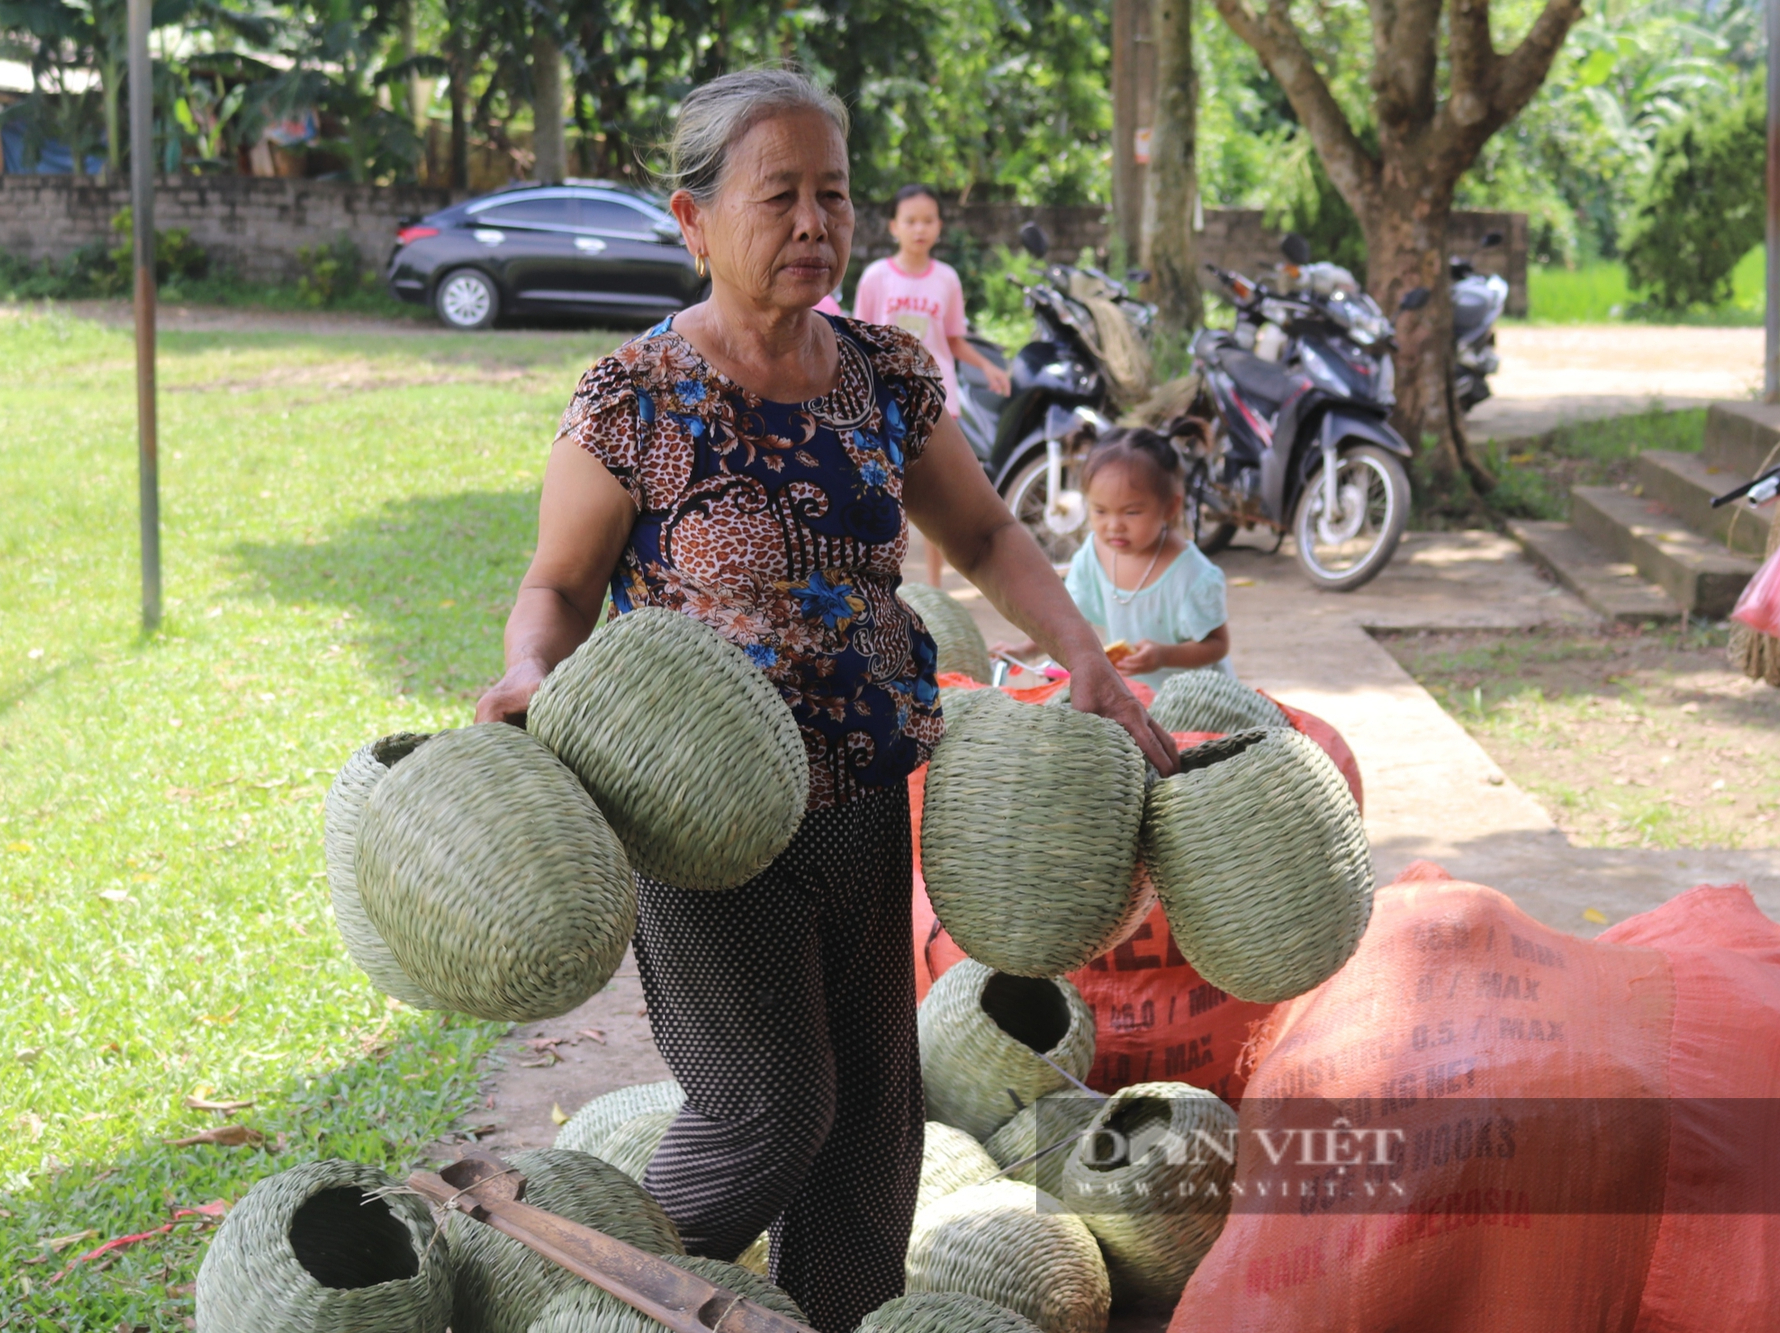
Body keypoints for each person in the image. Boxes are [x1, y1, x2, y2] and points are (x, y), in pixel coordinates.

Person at [472, 68, 1178, 1333]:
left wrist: (1082, 647)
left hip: (857, 797)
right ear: (692, 221)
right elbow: (557, 582)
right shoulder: (632, 397)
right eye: (778, 194)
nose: (814, 222)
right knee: (767, 1108)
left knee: (868, 1134)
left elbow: (981, 530)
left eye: (833, 194)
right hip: (698, 823)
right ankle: (559, 1288)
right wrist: (531, 670)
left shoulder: (882, 374)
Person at [992, 427, 1232, 690]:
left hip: (1197, 703)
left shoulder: (1192, 574)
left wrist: (1164, 656)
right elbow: (1069, 618)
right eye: (1100, 511)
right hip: (1137, 700)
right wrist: (1024, 651)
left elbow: (1217, 645)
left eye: (1131, 512)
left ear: (1170, 507)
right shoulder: (1094, 554)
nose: (1114, 525)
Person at [854, 184, 1011, 586]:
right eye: (910, 220)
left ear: (939, 227)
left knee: (938, 499)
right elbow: (858, 341)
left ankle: (936, 589)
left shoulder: (947, 279)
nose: (919, 228)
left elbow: (954, 339)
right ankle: (889, 587)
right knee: (887, 495)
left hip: (938, 402)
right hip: (886, 403)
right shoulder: (875, 278)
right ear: (894, 226)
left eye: (927, 220)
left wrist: (988, 367)